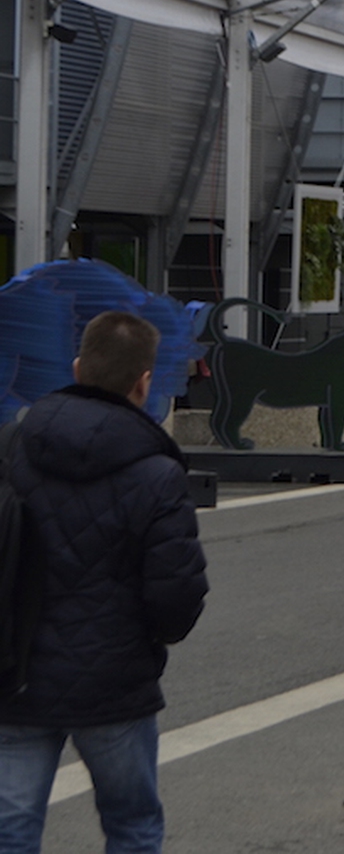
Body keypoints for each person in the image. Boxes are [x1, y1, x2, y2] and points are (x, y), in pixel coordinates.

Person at [0, 311, 209, 853]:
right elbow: (177, 594)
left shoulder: (12, 447)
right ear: (143, 382)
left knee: (11, 828)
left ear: (76, 367)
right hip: (116, 684)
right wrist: (151, 639)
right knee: (132, 823)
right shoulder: (158, 473)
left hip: (14, 674)